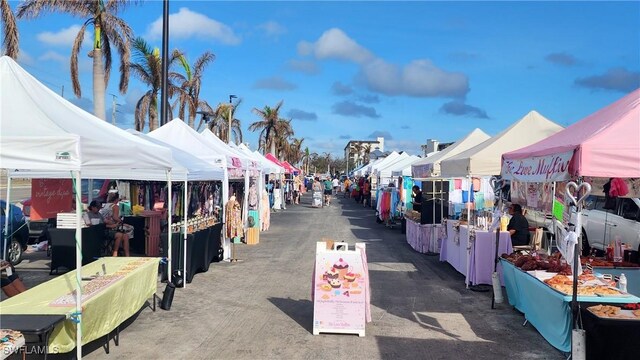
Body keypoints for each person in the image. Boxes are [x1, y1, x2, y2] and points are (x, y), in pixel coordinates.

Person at [100, 192, 132, 257]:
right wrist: (122, 222)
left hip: (104, 226)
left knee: (125, 236)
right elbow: (115, 217)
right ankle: (118, 253)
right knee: (130, 228)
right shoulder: (115, 206)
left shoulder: (104, 205)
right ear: (116, 199)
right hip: (111, 227)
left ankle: (124, 254)